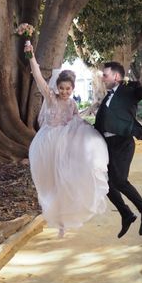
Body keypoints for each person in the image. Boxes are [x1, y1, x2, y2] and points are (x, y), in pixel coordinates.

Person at [25, 43, 109, 238]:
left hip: (65, 146)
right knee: (50, 184)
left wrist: (89, 130)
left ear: (72, 89)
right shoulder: (51, 97)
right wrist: (30, 55)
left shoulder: (72, 103)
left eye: (68, 89)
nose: (64, 92)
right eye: (61, 88)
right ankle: (56, 218)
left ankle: (63, 221)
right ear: (57, 87)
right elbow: (37, 76)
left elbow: (76, 120)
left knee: (66, 182)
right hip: (47, 144)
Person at [95, 62, 142, 238]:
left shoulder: (128, 90)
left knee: (119, 180)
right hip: (106, 145)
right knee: (105, 183)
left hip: (123, 143)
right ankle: (126, 214)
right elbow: (100, 124)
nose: (103, 78)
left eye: (105, 75)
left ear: (116, 77)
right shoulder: (107, 97)